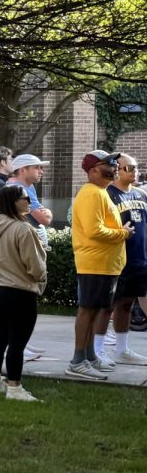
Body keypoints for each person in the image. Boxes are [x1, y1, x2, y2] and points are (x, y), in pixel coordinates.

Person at [69, 150, 133, 380]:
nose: (115, 166)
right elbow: (94, 231)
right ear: (93, 169)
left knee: (96, 310)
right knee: (88, 310)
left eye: (116, 163)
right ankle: (77, 360)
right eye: (109, 163)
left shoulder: (101, 192)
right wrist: (122, 233)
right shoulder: (92, 194)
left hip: (105, 264)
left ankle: (89, 356)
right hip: (94, 263)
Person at [0, 184, 47, 402]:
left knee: (0, 336)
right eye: (25, 198)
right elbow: (35, 265)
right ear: (13, 202)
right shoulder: (24, 229)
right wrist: (40, 279)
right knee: (18, 342)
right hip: (20, 290)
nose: (28, 201)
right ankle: (15, 388)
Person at [98, 154, 147, 365]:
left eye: (137, 168)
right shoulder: (107, 194)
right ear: (118, 169)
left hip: (139, 259)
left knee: (126, 304)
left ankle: (122, 348)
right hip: (115, 259)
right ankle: (97, 349)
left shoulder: (141, 194)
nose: (135, 172)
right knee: (107, 306)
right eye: (130, 168)